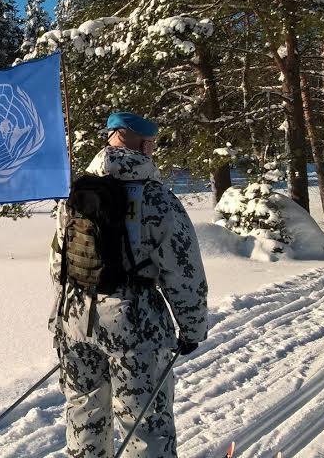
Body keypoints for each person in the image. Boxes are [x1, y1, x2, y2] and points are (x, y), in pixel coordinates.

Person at [49, 111, 209, 458]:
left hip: (74, 319)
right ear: (146, 144)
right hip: (134, 323)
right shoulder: (156, 198)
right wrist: (192, 327)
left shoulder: (74, 192)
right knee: (144, 422)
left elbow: (57, 263)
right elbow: (184, 271)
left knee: (84, 416)